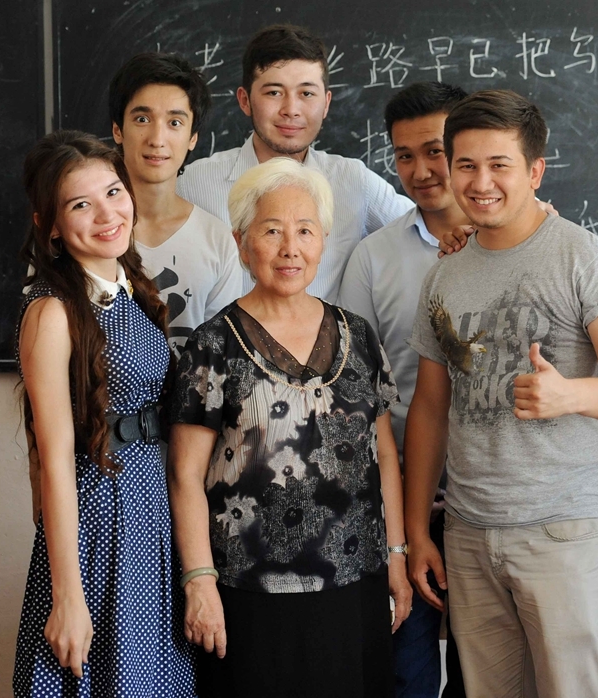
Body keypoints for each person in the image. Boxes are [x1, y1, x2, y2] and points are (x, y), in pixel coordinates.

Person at [404, 90, 598, 698]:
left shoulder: (584, 257)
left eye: (500, 165)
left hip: (563, 525)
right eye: (466, 165)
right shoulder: (444, 274)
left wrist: (569, 395)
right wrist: (416, 532)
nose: (481, 182)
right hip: (467, 529)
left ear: (535, 171)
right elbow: (430, 409)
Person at [167, 157, 412, 697]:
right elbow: (184, 475)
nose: (290, 248)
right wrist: (199, 581)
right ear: (242, 243)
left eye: (305, 231)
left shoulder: (359, 335)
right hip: (249, 594)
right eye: (272, 231)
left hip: (356, 583)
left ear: (322, 241)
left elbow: (385, 456)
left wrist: (397, 555)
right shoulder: (213, 343)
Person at [12, 131, 195, 697]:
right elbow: (54, 459)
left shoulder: (131, 288)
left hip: (149, 514)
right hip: (98, 522)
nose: (107, 214)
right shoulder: (52, 311)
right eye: (80, 204)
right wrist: (68, 596)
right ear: (51, 226)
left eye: (114, 192)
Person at [338, 81, 468, 698]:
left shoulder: (527, 243)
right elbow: (354, 388)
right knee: (405, 673)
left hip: (493, 499)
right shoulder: (373, 257)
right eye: (405, 156)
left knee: (485, 675)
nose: (420, 171)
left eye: (435, 151)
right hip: (399, 497)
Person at [176, 23, 412, 301]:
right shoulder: (194, 184)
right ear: (245, 100)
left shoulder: (353, 181)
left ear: (326, 103)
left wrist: (452, 231)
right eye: (274, 92)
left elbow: (420, 228)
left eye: (306, 93)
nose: (291, 110)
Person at [109, 52, 243, 354]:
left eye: (174, 122)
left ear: (193, 137)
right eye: (142, 119)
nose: (157, 139)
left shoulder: (217, 240)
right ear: (118, 129)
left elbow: (221, 357)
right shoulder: (83, 227)